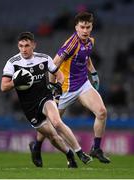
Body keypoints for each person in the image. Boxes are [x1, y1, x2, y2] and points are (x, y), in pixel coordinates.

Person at [1, 31, 92, 168]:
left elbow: (60, 76)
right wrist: (16, 82)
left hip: (45, 97)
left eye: (27, 45)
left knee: (57, 122)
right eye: (21, 46)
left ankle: (80, 153)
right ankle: (68, 154)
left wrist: (58, 87)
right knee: (52, 136)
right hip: (29, 106)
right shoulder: (12, 63)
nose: (24, 49)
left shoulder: (44, 59)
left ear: (34, 45)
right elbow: (3, 87)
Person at [35, 12, 110, 165]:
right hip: (65, 89)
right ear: (76, 27)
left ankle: (96, 149)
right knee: (50, 124)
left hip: (83, 84)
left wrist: (94, 73)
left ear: (91, 27)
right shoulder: (71, 44)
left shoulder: (90, 41)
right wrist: (53, 85)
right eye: (82, 27)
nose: (85, 30)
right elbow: (53, 64)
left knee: (102, 112)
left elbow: (86, 58)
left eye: (88, 27)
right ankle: (36, 146)